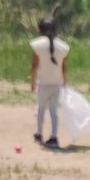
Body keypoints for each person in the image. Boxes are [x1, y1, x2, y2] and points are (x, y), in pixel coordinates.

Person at [30, 17, 69, 148]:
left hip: (44, 83)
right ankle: (54, 137)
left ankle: (39, 133)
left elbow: (34, 66)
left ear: (40, 30)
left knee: (41, 109)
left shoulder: (37, 45)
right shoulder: (63, 47)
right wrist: (64, 83)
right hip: (57, 84)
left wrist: (32, 82)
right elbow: (64, 67)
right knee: (54, 111)